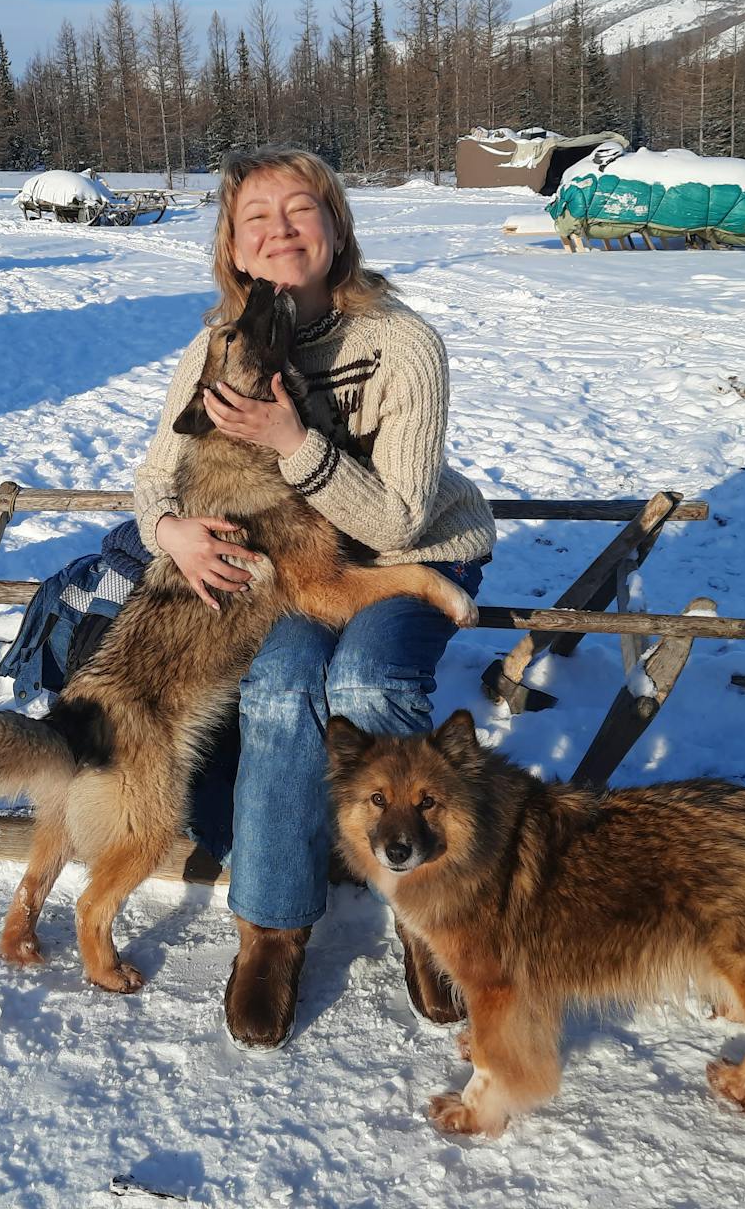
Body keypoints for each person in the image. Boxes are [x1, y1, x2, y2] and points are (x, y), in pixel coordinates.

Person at [134, 146, 495, 1048]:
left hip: (414, 556)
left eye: (302, 210)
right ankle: (272, 927)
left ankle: (428, 914)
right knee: (279, 690)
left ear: (337, 230)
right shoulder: (218, 344)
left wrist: (297, 440)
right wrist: (171, 530)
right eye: (258, 217)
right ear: (235, 247)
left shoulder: (401, 343)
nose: (281, 229)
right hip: (298, 573)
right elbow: (153, 480)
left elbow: (406, 521)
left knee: (369, 686)